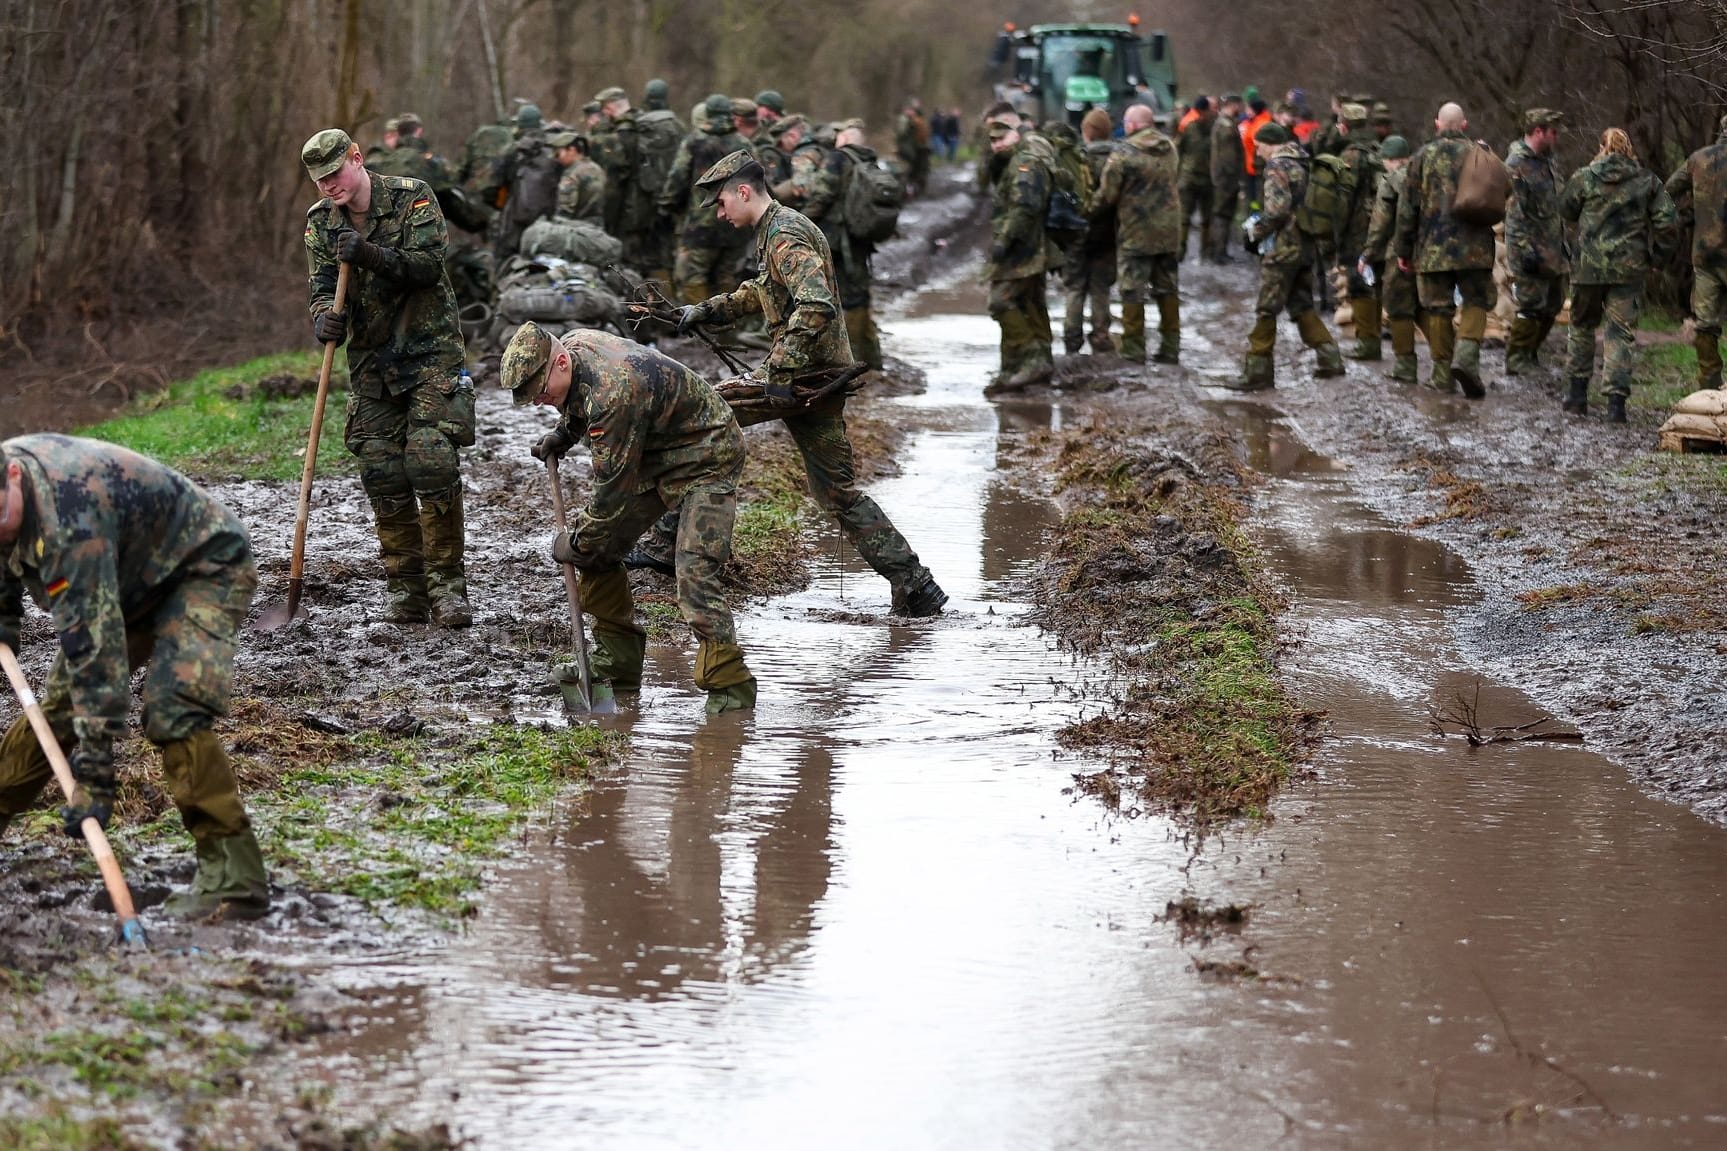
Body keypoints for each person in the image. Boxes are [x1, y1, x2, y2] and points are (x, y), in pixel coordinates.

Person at [648, 150, 947, 617]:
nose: (721, 214)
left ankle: (666, 546)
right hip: (815, 380)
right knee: (838, 493)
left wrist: (777, 373)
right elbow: (763, 291)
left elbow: (815, 304)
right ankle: (916, 584)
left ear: (743, 192)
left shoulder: (785, 234)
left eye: (723, 204)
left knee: (696, 423)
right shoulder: (778, 229)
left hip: (804, 382)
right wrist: (707, 310)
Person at [0, 435, 269, 920]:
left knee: (174, 707)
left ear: (14, 476)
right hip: (125, 574)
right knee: (59, 707)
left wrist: (97, 782)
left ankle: (236, 880)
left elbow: (98, 663)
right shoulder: (11, 495)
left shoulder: (70, 519)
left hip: (202, 567)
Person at [503, 324, 757, 713]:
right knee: (598, 552)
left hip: (708, 453)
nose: (539, 400)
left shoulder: (614, 394)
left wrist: (574, 542)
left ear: (560, 362)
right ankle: (618, 664)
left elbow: (611, 492)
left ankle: (730, 689)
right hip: (654, 452)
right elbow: (577, 401)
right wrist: (564, 433)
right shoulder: (574, 354)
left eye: (540, 390)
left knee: (694, 569)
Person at [301, 128, 472, 626]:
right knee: (380, 469)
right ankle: (407, 591)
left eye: (334, 174)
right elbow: (320, 286)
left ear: (356, 159)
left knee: (431, 458)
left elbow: (428, 265)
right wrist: (321, 317)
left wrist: (371, 254)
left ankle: (448, 588)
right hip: (372, 361)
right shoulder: (320, 224)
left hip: (430, 352)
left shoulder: (412, 196)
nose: (329, 187)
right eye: (319, 181)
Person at [1559, 128, 1678, 420]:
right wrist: (1657, 259)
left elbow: (1565, 209)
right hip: (1629, 268)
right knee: (1620, 333)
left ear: (1601, 147)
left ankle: (1576, 396)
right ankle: (1615, 405)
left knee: (1582, 327)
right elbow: (1669, 223)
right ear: (1629, 148)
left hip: (1588, 267)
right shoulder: (1646, 180)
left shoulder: (1584, 177)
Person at [1229, 121, 1345, 390]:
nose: (1257, 153)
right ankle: (1330, 358)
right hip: (1306, 247)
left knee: (1266, 308)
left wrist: (1255, 232)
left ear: (1270, 144)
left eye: (1259, 147)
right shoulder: (1304, 162)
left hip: (1283, 248)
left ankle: (1257, 371)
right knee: (1302, 304)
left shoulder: (1278, 167)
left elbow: (1277, 210)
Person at [1393, 102, 1496, 398]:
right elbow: (1501, 193)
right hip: (1475, 247)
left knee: (1437, 308)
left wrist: (1403, 248)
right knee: (1476, 300)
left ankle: (1442, 375)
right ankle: (1466, 356)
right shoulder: (1480, 155)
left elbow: (1407, 208)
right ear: (1464, 125)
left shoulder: (1420, 157)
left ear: (1437, 124)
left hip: (1432, 248)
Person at [1091, 103, 1180, 364]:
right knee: (1167, 289)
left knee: (1132, 290)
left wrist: (1084, 210)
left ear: (1131, 125)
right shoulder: (1171, 148)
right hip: (1169, 231)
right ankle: (1171, 347)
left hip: (1136, 230)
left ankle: (1133, 348)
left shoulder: (1123, 153)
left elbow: (1107, 195)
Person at [983, 111, 1063, 390]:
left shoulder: (1024, 163)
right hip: (1028, 247)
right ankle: (1014, 368)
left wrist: (1004, 241)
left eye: (1002, 138)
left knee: (1000, 302)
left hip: (1023, 249)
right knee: (1029, 303)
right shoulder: (1014, 161)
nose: (996, 145)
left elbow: (1024, 209)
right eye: (992, 141)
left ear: (1017, 134)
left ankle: (1032, 358)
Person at [659, 94, 752, 305]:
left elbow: (677, 180)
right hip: (735, 226)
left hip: (698, 227)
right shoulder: (744, 143)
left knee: (692, 278)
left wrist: (667, 207)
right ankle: (727, 331)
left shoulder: (694, 142)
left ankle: (700, 329)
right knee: (727, 279)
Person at [1504, 109, 1570, 375]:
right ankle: (1517, 359)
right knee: (1530, 305)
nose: (1556, 137)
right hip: (1529, 248)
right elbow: (1514, 213)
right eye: (1553, 131)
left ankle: (1531, 354)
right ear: (1538, 131)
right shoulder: (1517, 164)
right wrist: (1524, 250)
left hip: (1552, 246)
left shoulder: (1548, 161)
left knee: (1554, 302)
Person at [1665, 112, 1727, 390]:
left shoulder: (1698, 158)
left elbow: (1667, 190)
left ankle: (1710, 383)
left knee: (1705, 323)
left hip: (1705, 253)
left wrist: (1687, 215)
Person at [1362, 136, 1419, 382]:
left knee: (1398, 307)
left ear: (1390, 160)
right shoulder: (1426, 174)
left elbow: (1381, 224)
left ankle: (1405, 366)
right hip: (1429, 251)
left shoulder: (1392, 181)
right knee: (1430, 308)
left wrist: (1368, 253)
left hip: (1399, 250)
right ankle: (1444, 365)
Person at [1062, 108, 1119, 355]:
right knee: (1101, 287)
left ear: (1087, 132)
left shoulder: (1077, 159)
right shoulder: (1119, 158)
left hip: (1078, 232)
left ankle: (1072, 338)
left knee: (1075, 287)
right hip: (1108, 233)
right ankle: (1101, 336)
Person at [1336, 103, 1384, 360]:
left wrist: (1336, 231)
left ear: (1344, 125)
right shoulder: (1377, 149)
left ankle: (1368, 342)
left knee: (1359, 283)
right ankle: (1373, 336)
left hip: (1358, 230)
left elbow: (1344, 198)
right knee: (1375, 283)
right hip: (1380, 226)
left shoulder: (1351, 156)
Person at [1175, 96, 1215, 262]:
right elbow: (1178, 150)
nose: (1201, 115)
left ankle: (1204, 252)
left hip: (1207, 179)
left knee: (1207, 218)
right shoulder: (1188, 127)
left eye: (1203, 112)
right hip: (1188, 178)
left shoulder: (1214, 128)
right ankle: (1180, 250)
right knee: (1184, 217)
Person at [1209, 93, 1245, 262]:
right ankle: (1217, 252)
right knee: (1222, 214)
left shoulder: (1226, 123)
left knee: (1224, 214)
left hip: (1225, 177)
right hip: (1226, 178)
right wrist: (1236, 178)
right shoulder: (1226, 126)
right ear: (1232, 105)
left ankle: (1220, 250)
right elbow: (1229, 157)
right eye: (1238, 105)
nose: (1240, 108)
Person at [551, 130, 606, 223]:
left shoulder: (572, 174)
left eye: (558, 154)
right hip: (598, 227)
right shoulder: (597, 169)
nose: (556, 159)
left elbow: (564, 211)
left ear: (571, 150)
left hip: (577, 229)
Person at [896, 98, 933, 197]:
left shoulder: (917, 119)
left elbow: (923, 134)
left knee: (918, 169)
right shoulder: (906, 119)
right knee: (911, 169)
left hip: (919, 149)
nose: (912, 111)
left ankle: (914, 189)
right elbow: (901, 134)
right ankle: (909, 189)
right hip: (912, 149)